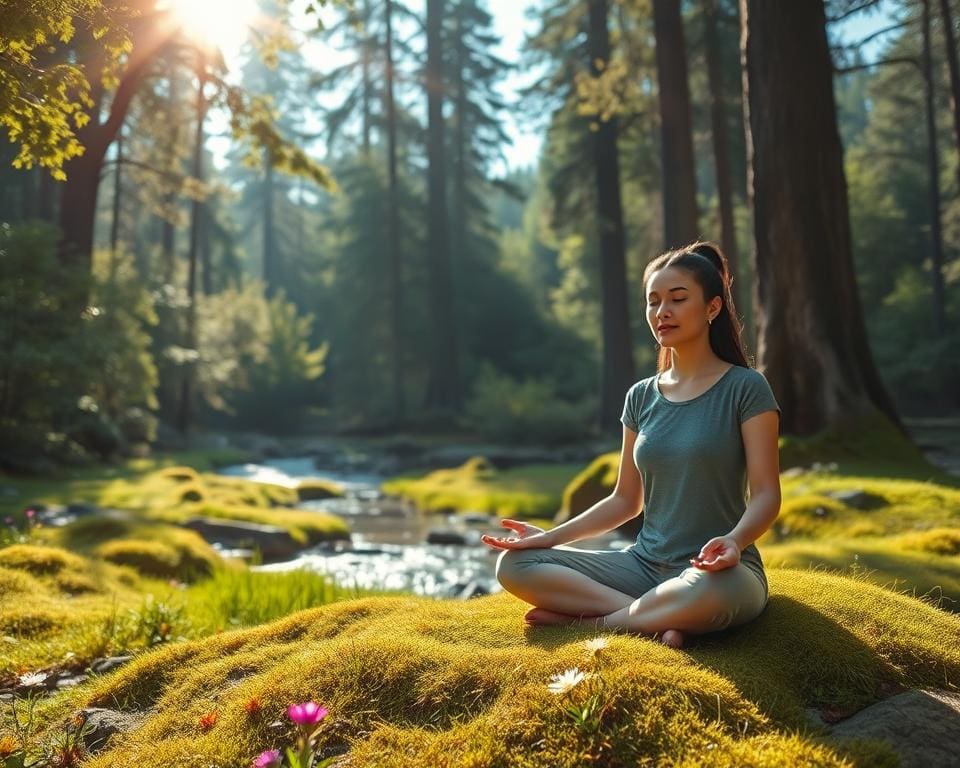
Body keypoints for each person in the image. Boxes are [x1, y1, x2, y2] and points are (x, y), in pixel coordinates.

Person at [481, 241, 781, 649]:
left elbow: (766, 494)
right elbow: (625, 500)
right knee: (515, 564)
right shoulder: (641, 396)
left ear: (712, 308)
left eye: (677, 299)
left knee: (704, 591)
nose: (662, 312)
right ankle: (656, 621)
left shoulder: (746, 388)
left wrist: (735, 541)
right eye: (653, 302)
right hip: (641, 567)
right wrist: (548, 538)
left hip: (719, 571)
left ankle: (598, 624)